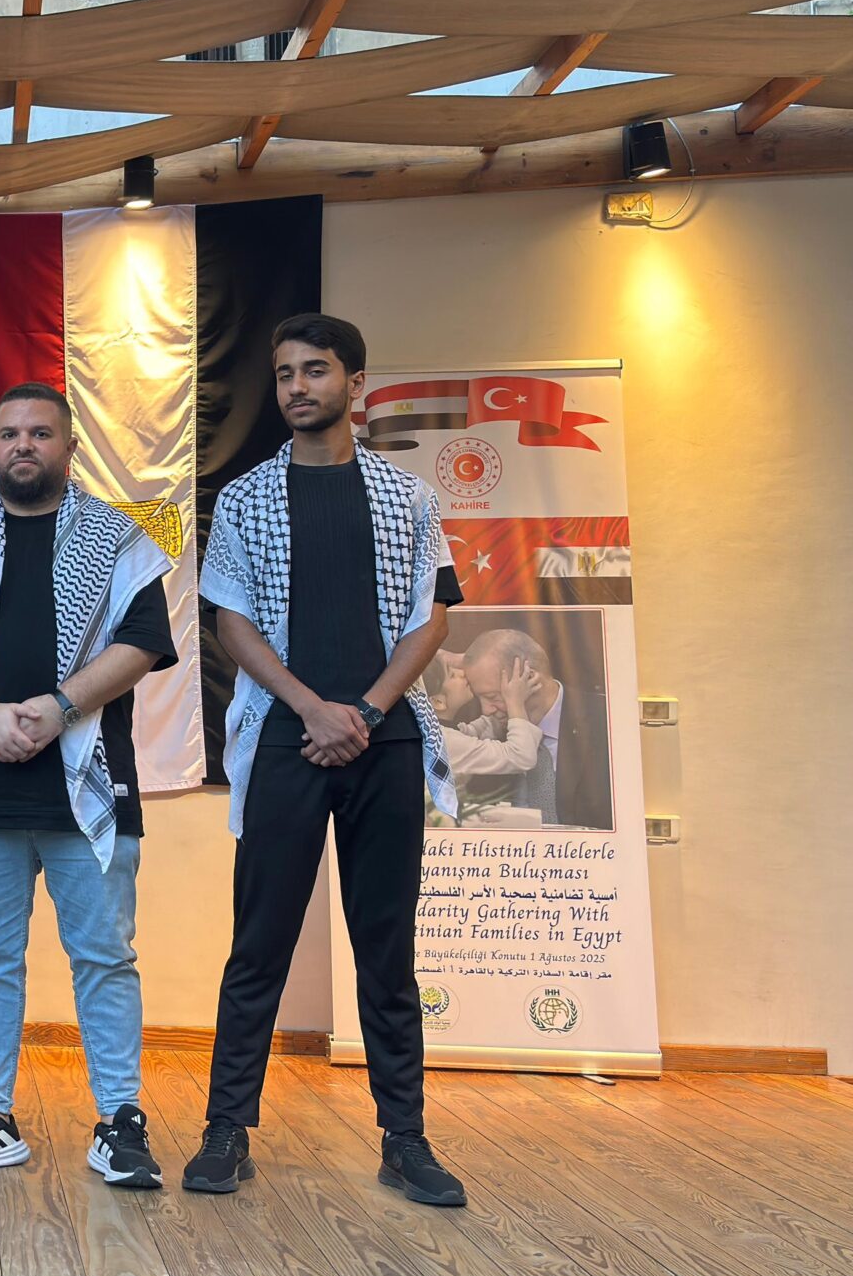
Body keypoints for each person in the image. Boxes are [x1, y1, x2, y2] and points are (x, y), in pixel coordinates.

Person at [187, 313, 470, 1208]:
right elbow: (231, 621)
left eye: (315, 370)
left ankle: (405, 1139)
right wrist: (313, 709)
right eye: (284, 374)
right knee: (259, 942)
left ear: (355, 384)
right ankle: (226, 1129)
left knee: (386, 947)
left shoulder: (409, 497)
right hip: (286, 738)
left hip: (386, 742)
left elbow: (432, 618)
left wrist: (368, 710)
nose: (296, 387)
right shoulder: (244, 498)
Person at [0, 385, 177, 1188]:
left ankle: (120, 1122)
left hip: (88, 786)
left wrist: (61, 708)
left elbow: (143, 642)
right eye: (9, 433)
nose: (24, 444)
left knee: (105, 956)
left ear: (69, 446)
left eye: (41, 432)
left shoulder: (117, 539)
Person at [459, 630, 609, 828]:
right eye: (480, 698)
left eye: (493, 697)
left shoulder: (605, 720)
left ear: (529, 678)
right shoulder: (484, 732)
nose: (486, 710)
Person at [427, 652, 542, 780]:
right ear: (438, 702)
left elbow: (474, 733)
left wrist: (502, 712)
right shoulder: (443, 743)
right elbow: (521, 757)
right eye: (452, 675)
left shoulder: (439, 732)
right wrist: (515, 702)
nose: (462, 672)